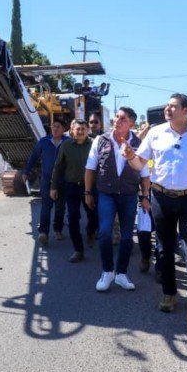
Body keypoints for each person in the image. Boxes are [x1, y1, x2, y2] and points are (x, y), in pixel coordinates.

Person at [122, 93, 187, 334]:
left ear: (185, 110)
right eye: (167, 105)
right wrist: (130, 157)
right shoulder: (156, 133)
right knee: (165, 250)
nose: (167, 109)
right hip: (161, 197)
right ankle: (169, 294)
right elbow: (141, 164)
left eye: (173, 106)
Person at [85, 107, 151, 291]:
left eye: (123, 118)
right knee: (105, 233)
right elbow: (90, 168)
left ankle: (121, 273)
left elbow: (144, 174)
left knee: (127, 237)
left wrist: (145, 196)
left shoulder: (139, 143)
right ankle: (107, 271)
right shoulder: (101, 140)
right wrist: (88, 192)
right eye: (117, 117)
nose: (117, 120)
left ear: (131, 122)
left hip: (129, 195)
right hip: (106, 193)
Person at [51, 119, 94, 262]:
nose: (80, 131)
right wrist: (54, 187)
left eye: (83, 129)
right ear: (72, 130)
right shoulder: (66, 145)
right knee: (73, 218)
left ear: (87, 130)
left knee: (94, 216)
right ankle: (78, 250)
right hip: (72, 187)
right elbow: (58, 167)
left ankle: (90, 232)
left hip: (91, 187)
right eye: (78, 129)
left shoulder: (95, 144)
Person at [23, 120, 66, 245]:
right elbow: (33, 157)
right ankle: (43, 232)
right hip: (47, 179)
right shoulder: (44, 141)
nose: (55, 129)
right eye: (53, 126)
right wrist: (26, 171)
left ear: (64, 129)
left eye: (58, 126)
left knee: (60, 207)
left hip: (63, 181)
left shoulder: (67, 142)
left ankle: (58, 229)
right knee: (46, 206)